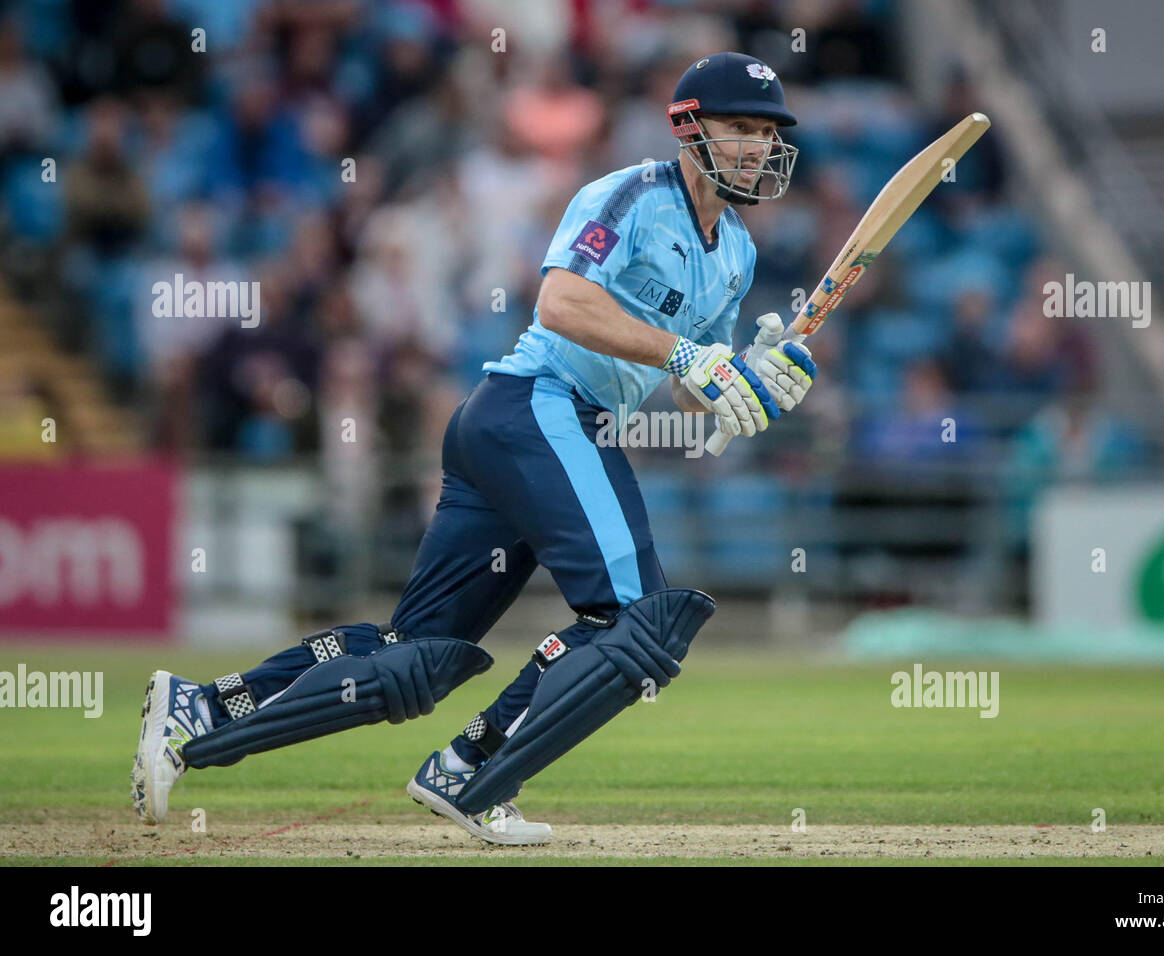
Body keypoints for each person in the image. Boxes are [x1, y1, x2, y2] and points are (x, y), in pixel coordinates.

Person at [132, 52, 819, 845]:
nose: (758, 148)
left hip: (525, 429)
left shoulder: (737, 253)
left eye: (767, 134)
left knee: (417, 656)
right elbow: (560, 301)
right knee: (637, 621)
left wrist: (751, 383)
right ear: (688, 127)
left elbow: (697, 386)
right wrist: (683, 355)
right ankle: (471, 768)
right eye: (740, 129)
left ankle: (204, 706)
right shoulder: (629, 195)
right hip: (539, 407)